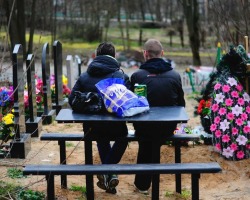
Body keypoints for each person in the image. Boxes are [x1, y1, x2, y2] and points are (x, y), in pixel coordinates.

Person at [68, 42, 131, 194]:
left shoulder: (84, 76)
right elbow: (128, 101)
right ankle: (107, 172)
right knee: (123, 138)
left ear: (96, 56)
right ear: (114, 56)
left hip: (91, 127)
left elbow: (72, 99)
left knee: (101, 138)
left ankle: (107, 175)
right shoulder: (120, 75)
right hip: (116, 126)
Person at [130, 39, 185, 194]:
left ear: (145, 54)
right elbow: (181, 104)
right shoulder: (174, 75)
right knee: (153, 138)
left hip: (143, 127)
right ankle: (146, 183)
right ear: (162, 54)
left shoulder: (137, 76)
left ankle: (142, 185)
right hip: (167, 127)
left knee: (146, 141)